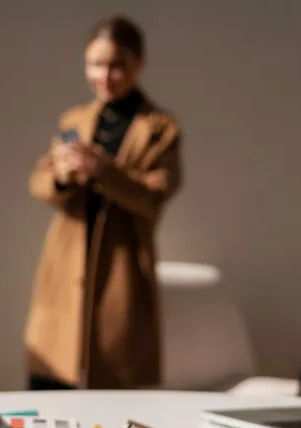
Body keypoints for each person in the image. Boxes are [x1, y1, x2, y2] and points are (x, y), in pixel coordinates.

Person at [24, 15, 183, 390]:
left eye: (116, 65)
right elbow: (39, 182)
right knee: (50, 386)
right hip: (64, 269)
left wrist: (102, 170)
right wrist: (62, 176)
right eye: (96, 64)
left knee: (115, 394)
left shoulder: (160, 128)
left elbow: (154, 196)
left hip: (122, 273)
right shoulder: (74, 120)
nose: (105, 75)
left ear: (138, 64)